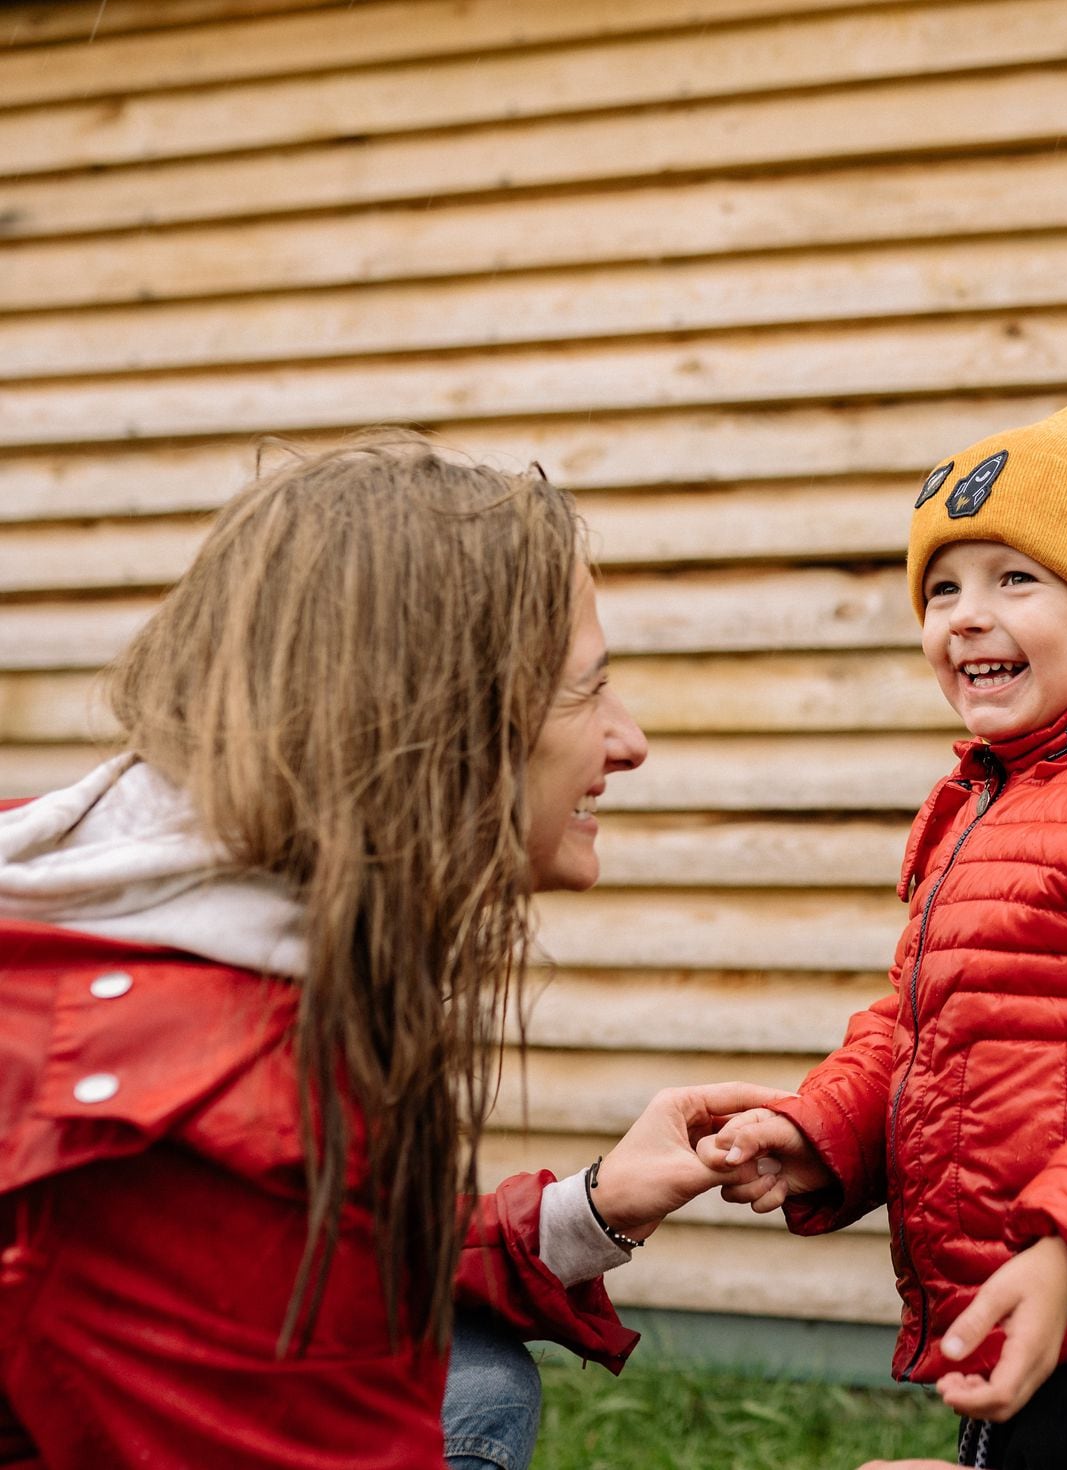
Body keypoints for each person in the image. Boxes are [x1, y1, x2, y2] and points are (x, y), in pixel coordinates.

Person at [0, 433, 784, 1468]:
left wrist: (581, 1213)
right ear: (437, 725)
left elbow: (298, 1266)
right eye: (587, 690)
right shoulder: (207, 1115)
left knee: (475, 1373)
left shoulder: (103, 885)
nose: (629, 741)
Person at [701, 391, 1067, 1470]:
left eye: (1014, 579)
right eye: (940, 589)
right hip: (1023, 1294)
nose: (963, 616)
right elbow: (925, 1027)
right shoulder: (998, 794)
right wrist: (822, 1131)